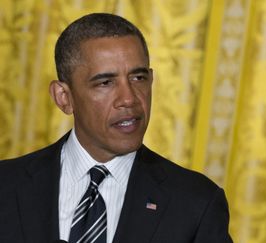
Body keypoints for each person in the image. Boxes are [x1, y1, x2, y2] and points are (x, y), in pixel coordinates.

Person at [0, 13, 232, 243]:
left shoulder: (196, 203)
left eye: (138, 78)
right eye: (105, 82)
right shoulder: (6, 186)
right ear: (64, 97)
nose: (129, 98)